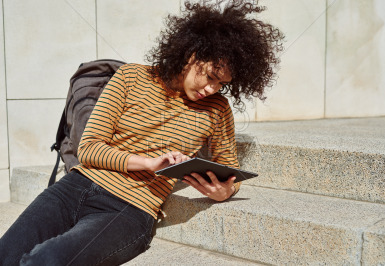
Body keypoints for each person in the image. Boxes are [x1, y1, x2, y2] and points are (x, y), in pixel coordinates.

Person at [0, 0, 283, 265]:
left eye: (222, 83)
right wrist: (148, 163)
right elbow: (88, 148)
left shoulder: (217, 109)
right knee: (6, 253)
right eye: (210, 75)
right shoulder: (130, 77)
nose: (212, 88)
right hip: (75, 187)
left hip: (128, 210)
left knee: (47, 259)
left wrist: (226, 190)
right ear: (191, 54)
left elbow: (229, 169)